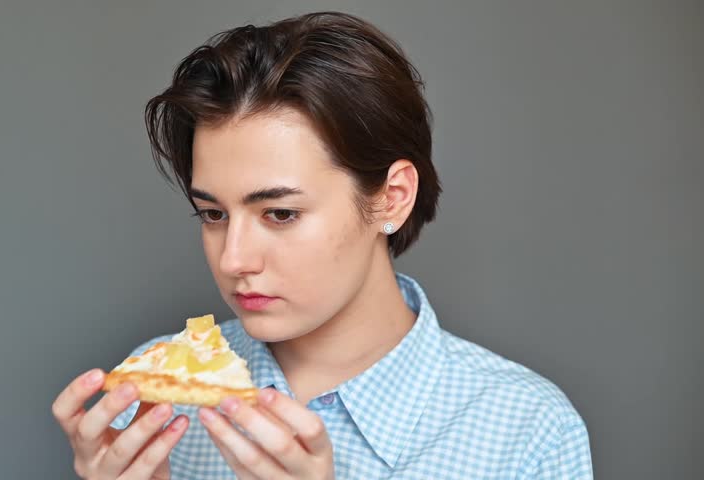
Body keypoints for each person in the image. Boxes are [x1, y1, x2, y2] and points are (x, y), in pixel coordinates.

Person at [52, 11, 593, 479]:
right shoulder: (156, 399)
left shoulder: (525, 431)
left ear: (392, 198)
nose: (234, 259)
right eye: (213, 213)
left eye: (280, 213)